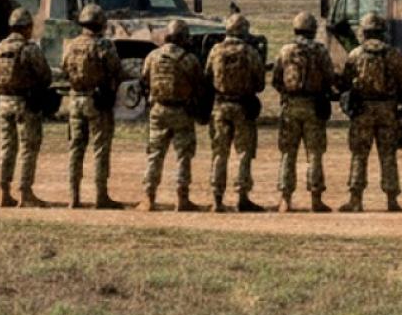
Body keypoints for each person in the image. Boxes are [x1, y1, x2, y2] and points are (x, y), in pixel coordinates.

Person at [337, 11, 402, 213]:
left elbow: (345, 82)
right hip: (387, 110)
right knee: (388, 155)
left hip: (363, 111)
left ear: (364, 32)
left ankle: (356, 199)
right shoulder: (393, 54)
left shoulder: (355, 54)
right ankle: (392, 200)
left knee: (359, 155)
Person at [61, 3, 125, 209]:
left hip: (75, 100)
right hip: (97, 101)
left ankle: (73, 197)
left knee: (75, 148)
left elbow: (64, 68)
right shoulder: (104, 45)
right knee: (100, 149)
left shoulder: (71, 45)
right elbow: (116, 70)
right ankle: (100, 196)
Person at [0, 8, 54, 208]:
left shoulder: (0, 48)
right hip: (25, 104)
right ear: (27, 27)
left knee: (6, 147)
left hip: (3, 103)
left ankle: (3, 192)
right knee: (28, 147)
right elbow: (45, 76)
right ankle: (25, 192)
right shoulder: (30, 49)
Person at [273, 11, 335, 213]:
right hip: (314, 106)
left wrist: (287, 93)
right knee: (315, 153)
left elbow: (276, 79)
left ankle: (285, 199)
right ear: (313, 30)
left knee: (288, 153)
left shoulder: (286, 50)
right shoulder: (320, 51)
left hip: (290, 106)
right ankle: (316, 199)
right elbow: (329, 77)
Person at [205, 12, 267, 213]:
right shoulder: (250, 52)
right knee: (243, 153)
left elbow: (207, 76)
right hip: (243, 107)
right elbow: (260, 84)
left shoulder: (215, 51)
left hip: (220, 107)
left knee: (219, 153)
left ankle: (217, 198)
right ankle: (242, 197)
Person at [140, 19, 203, 212]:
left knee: (155, 154)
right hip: (182, 111)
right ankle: (182, 198)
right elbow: (199, 85)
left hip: (158, 110)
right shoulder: (189, 59)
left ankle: (148, 197)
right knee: (183, 155)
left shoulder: (153, 56)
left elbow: (145, 79)